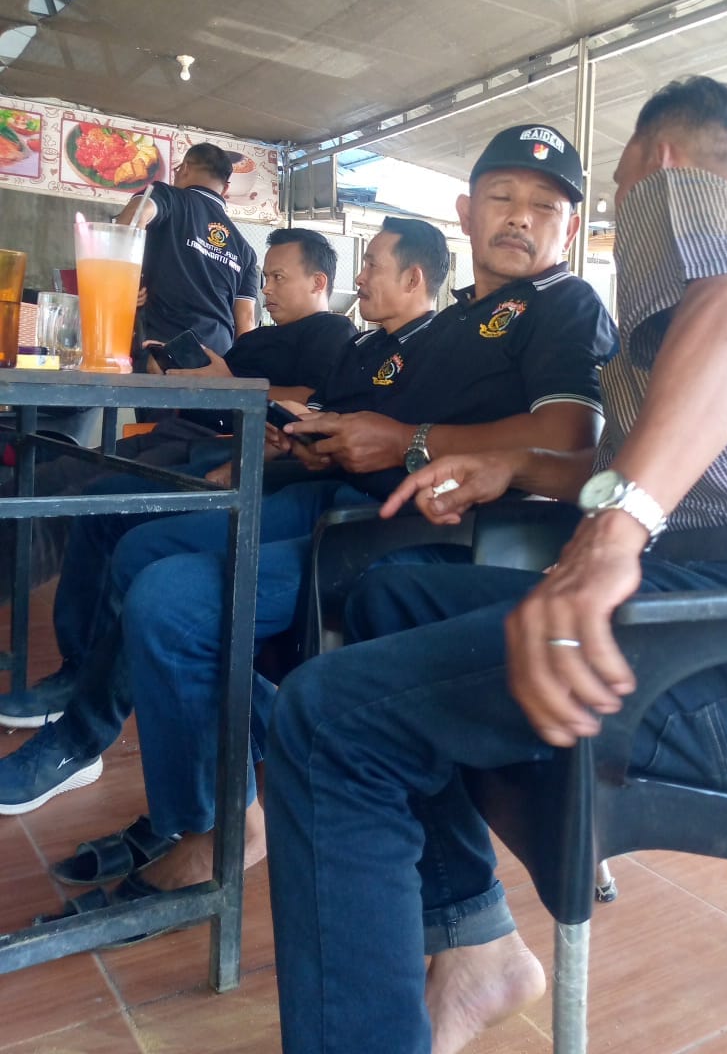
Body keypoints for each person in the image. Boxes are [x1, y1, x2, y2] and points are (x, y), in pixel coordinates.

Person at [264, 77, 727, 1054]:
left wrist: (613, 536)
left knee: (324, 717)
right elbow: (611, 459)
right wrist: (512, 466)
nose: (616, 205)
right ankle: (474, 940)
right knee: (394, 594)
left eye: (610, 187)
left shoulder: (685, 199)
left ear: (654, 161)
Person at [32, 127, 616, 918]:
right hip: (347, 500)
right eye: (502, 197)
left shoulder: (564, 304)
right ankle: (219, 785)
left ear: (571, 229)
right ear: (465, 211)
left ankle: (211, 825)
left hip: (427, 536)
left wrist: (406, 442)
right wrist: (326, 440)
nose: (520, 216)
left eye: (545, 206)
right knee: (144, 550)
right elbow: (380, 424)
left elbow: (568, 439)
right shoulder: (451, 322)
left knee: (171, 601)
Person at [0, 217, 445, 814]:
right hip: (291, 475)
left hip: (346, 513)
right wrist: (290, 434)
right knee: (118, 525)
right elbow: (319, 416)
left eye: (371, 266)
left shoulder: (422, 346)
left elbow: (388, 443)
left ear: (413, 278)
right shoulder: (364, 347)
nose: (358, 278)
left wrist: (257, 441)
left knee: (157, 581)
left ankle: (100, 745)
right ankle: (119, 704)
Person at [118, 142, 260, 359]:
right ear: (226, 189)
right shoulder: (245, 250)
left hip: (161, 353)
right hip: (216, 359)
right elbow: (246, 320)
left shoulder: (167, 196)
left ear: (184, 169)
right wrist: (236, 371)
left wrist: (125, 281)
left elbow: (132, 219)